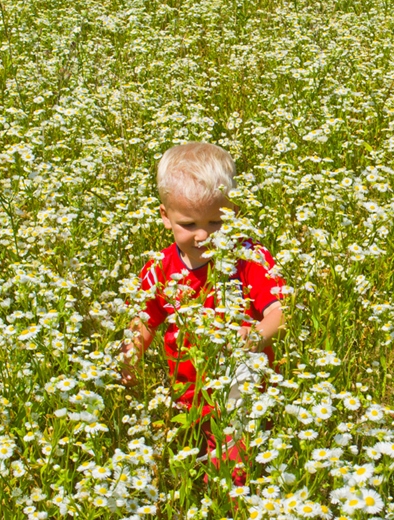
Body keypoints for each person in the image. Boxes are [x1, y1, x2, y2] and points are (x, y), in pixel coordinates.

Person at [120, 142, 285, 485]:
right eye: (189, 223)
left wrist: (254, 336)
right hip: (187, 400)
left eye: (215, 222)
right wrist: (132, 352)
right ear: (165, 216)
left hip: (242, 395)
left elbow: (279, 312)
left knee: (234, 475)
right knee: (185, 473)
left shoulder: (249, 258)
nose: (202, 235)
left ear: (234, 212)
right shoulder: (160, 268)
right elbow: (143, 319)